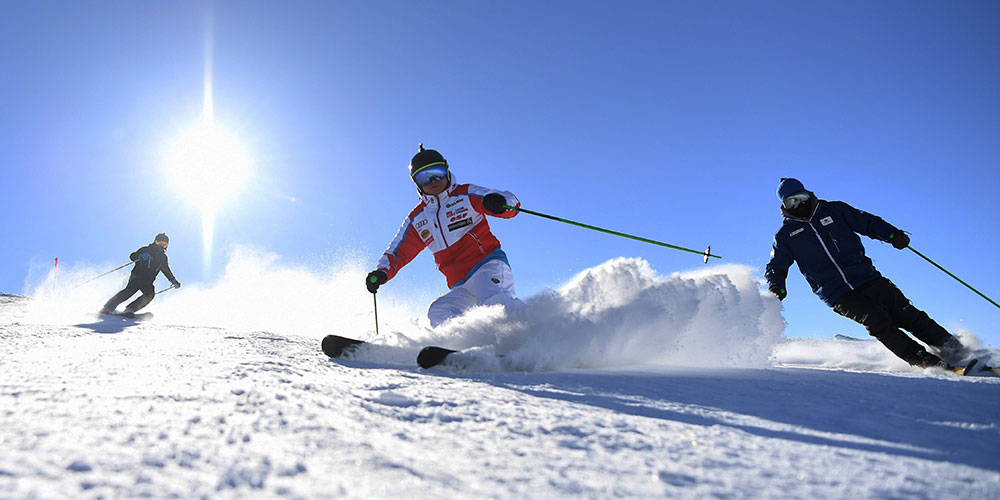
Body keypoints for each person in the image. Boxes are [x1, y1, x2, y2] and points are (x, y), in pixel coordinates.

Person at [765, 178, 967, 369]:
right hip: (837, 293)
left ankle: (955, 349)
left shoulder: (835, 210)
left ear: (808, 194)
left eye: (801, 199)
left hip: (868, 277)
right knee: (877, 321)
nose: (798, 205)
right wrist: (776, 285)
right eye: (791, 202)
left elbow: (867, 222)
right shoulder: (786, 235)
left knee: (906, 313)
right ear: (784, 206)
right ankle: (924, 360)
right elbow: (776, 265)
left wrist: (892, 234)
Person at [366, 145, 525, 327]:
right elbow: (398, 251)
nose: (433, 181)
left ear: (447, 170)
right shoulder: (418, 218)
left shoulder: (465, 194)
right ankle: (465, 349)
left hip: (487, 267)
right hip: (460, 285)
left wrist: (500, 203)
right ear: (416, 183)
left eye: (438, 173)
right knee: (440, 311)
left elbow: (510, 204)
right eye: (424, 177)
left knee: (494, 304)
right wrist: (381, 272)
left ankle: (539, 333)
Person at [100, 233, 180, 315]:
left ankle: (130, 309)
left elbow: (166, 270)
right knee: (128, 291)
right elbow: (132, 256)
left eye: (163, 244)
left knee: (149, 295)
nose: (160, 245)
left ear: (166, 246)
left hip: (148, 280)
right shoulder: (146, 249)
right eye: (159, 242)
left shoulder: (163, 258)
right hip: (137, 275)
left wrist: (173, 280)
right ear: (155, 242)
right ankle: (108, 307)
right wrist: (140, 256)